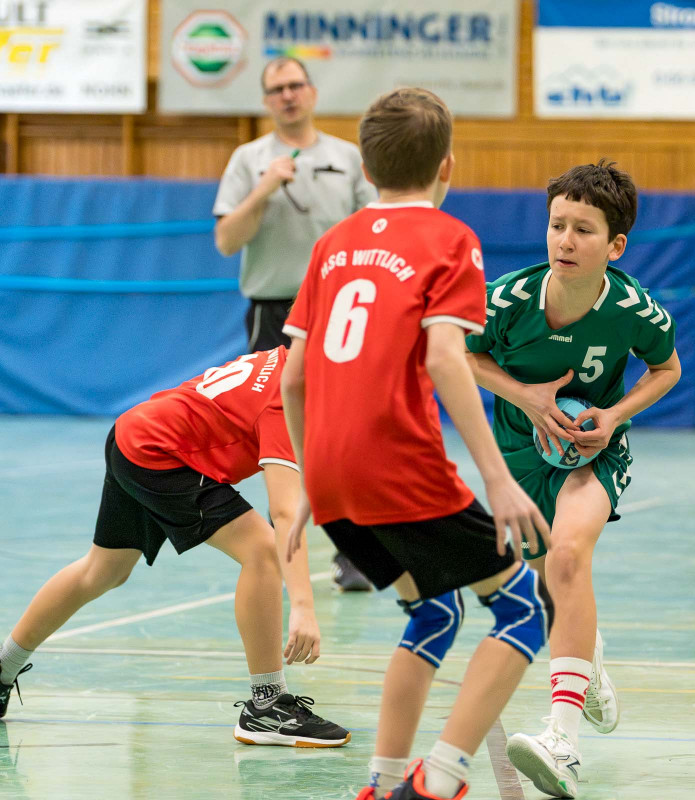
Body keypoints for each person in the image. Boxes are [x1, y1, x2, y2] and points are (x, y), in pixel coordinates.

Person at [279, 87, 551, 800]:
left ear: (366, 170)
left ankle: (384, 781)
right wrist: (497, 478)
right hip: (400, 469)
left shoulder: (332, 245)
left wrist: (310, 481)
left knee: (433, 612)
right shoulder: (450, 239)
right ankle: (444, 774)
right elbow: (444, 358)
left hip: (330, 477)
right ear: (447, 166)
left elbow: (295, 377)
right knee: (525, 610)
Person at [0, 347, 349, 748]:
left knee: (104, 570)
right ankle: (267, 705)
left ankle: (3, 667)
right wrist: (303, 606)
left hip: (133, 433)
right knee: (263, 550)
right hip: (159, 455)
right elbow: (285, 513)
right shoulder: (286, 401)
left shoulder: (285, 358)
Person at [466, 160, 682, 798]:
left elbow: (667, 369)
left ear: (615, 246)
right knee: (549, 583)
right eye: (557, 225)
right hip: (520, 448)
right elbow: (460, 355)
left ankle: (562, 744)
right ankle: (590, 663)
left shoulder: (635, 311)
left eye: (583, 230)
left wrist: (613, 417)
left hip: (591, 451)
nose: (565, 240)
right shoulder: (505, 301)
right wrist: (528, 398)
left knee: (567, 558)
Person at [213, 55, 377, 591]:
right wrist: (263, 189)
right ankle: (285, 552)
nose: (287, 95)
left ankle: (353, 554)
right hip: (272, 313)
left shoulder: (346, 158)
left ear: (311, 92)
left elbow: (374, 231)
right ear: (266, 101)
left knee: (345, 430)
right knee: (277, 438)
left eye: (295, 85)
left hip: (337, 310)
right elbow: (226, 240)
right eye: (277, 88)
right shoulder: (248, 159)